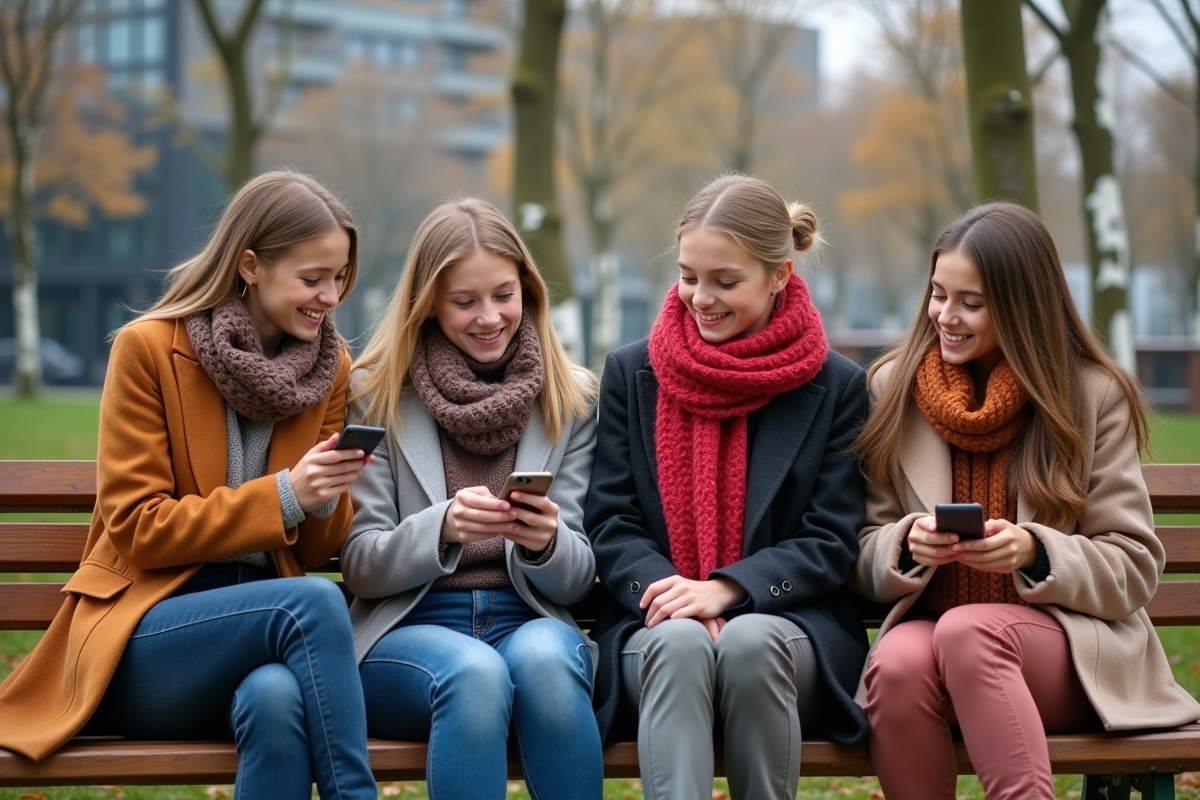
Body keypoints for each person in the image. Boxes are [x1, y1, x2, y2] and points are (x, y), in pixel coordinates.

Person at [0, 171, 380, 799]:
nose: (330, 296)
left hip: (261, 641)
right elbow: (138, 529)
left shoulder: (329, 368)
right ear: (251, 265)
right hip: (144, 640)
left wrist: (325, 494)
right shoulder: (148, 350)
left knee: (278, 697)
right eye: (312, 279)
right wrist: (286, 493)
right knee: (315, 602)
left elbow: (311, 554)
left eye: (339, 278)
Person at [851, 202, 1200, 800]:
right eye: (938, 294)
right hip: (932, 635)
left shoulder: (1092, 395)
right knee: (898, 663)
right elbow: (860, 550)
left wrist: (1037, 552)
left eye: (972, 302)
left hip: (1066, 652)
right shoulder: (893, 389)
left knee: (968, 632)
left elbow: (1134, 564)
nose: (946, 316)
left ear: (1022, 304)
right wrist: (905, 546)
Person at [585, 174, 870, 800]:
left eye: (725, 281)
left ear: (779, 274)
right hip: (655, 628)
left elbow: (832, 536)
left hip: (789, 632)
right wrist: (675, 599)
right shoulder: (633, 373)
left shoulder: (837, 385)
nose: (701, 298)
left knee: (749, 640)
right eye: (689, 276)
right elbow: (611, 520)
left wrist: (730, 590)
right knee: (682, 643)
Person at [342, 197, 602, 800]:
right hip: (408, 629)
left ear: (528, 293)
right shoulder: (376, 393)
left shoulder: (573, 399)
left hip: (531, 619)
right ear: (429, 303)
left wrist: (547, 545)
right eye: (465, 302)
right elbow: (360, 561)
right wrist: (442, 528)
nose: (490, 317)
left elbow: (581, 575)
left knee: (545, 665)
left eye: (503, 295)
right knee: (475, 673)